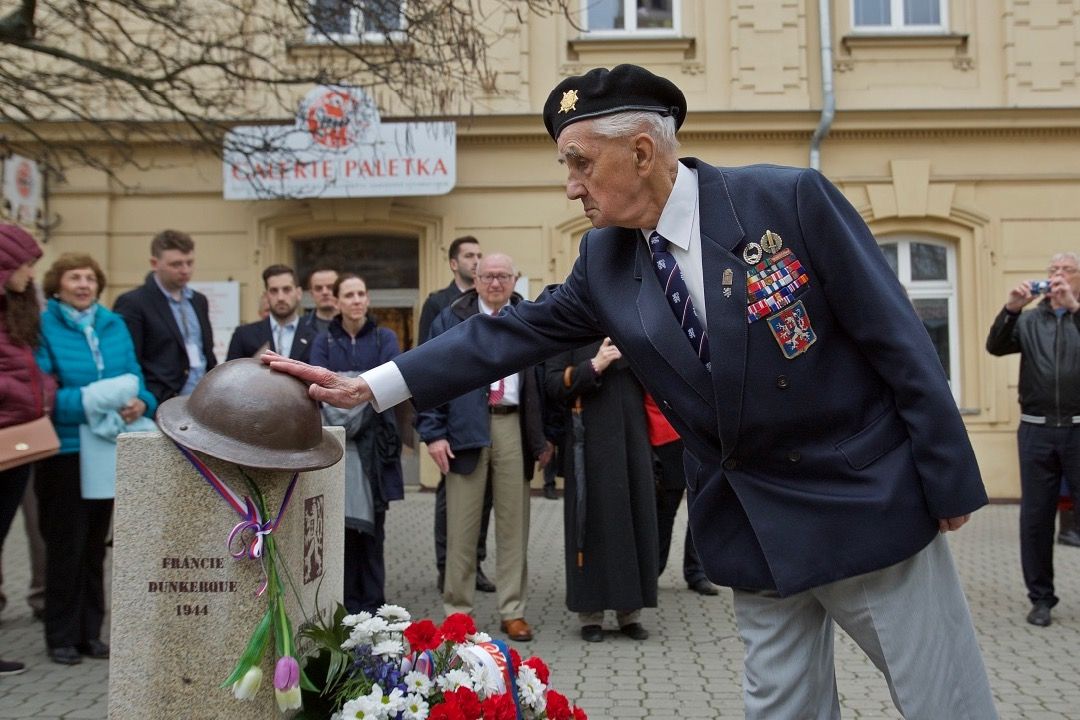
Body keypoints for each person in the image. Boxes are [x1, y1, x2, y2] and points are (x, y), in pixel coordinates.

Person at [266, 64, 997, 718]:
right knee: (782, 708)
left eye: (580, 163)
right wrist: (369, 385)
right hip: (752, 523)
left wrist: (948, 480)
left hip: (862, 505)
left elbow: (898, 340)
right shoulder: (606, 260)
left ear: (642, 153)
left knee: (943, 700)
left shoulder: (786, 200)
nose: (570, 185)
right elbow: (508, 334)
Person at [415, 253, 551, 642]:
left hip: (513, 426)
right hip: (463, 428)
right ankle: (458, 612)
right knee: (461, 527)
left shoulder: (528, 318)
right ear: (475, 280)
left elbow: (542, 378)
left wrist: (544, 436)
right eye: (488, 276)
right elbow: (428, 375)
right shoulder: (450, 319)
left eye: (503, 276)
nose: (495, 283)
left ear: (514, 280)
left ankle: (513, 611)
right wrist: (433, 433)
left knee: (514, 526)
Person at [35, 253, 157, 665]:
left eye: (90, 278)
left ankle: (91, 632)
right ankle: (62, 635)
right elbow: (45, 395)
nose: (84, 285)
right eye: (74, 277)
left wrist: (142, 403)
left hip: (109, 447)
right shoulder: (44, 325)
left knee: (94, 545)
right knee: (65, 544)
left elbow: (137, 378)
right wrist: (92, 403)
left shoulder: (113, 324)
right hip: (67, 450)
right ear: (57, 285)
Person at [986, 252, 1080, 627]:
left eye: (1067, 270)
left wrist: (1074, 309)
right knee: (1036, 519)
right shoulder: (1029, 320)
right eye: (1053, 270)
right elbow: (995, 346)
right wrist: (1011, 308)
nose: (1058, 275)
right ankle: (1041, 599)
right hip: (1036, 430)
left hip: (1078, 427)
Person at [544, 337, 657, 642]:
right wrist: (593, 366)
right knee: (591, 524)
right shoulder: (569, 327)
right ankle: (590, 613)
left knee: (632, 520)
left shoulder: (630, 322)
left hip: (632, 436)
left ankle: (630, 612)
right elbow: (552, 383)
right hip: (589, 440)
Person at [309, 274, 403, 613]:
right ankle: (345, 605)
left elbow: (392, 381)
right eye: (349, 295)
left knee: (374, 531)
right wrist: (362, 388)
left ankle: (374, 605)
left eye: (361, 293)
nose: (357, 300)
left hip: (375, 452)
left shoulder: (384, 337)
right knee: (341, 530)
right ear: (337, 301)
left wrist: (348, 387)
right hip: (337, 450)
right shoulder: (323, 341)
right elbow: (318, 389)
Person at [419, 236, 495, 595]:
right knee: (450, 499)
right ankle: (446, 566)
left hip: (486, 415)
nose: (476, 260)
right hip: (454, 419)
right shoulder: (439, 304)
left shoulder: (492, 301)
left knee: (485, 497)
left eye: (479, 254)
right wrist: (434, 429)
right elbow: (426, 366)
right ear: (454, 263)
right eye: (468, 255)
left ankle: (474, 564)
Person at [0, 223, 55, 676]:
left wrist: (45, 391)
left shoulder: (16, 311)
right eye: (26, 265)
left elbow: (32, 370)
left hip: (18, 442)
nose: (31, 274)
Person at [113, 229, 216, 405]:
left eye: (189, 263)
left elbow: (205, 350)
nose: (185, 270)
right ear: (154, 263)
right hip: (160, 400)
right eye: (176, 264)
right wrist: (144, 400)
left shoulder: (199, 300)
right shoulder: (133, 303)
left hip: (202, 398)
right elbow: (129, 359)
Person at [644, 393, 718, 596]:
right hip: (666, 435)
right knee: (665, 508)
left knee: (701, 509)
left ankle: (697, 572)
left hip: (702, 434)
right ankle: (653, 569)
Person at [226, 264, 317, 363]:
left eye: (286, 289)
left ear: (299, 293)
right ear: (266, 295)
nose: (280, 298)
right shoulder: (244, 335)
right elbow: (231, 371)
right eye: (274, 291)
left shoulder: (316, 335)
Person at [302, 267, 339, 336]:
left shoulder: (355, 324)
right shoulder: (300, 327)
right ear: (311, 294)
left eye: (330, 287)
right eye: (318, 288)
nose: (325, 292)